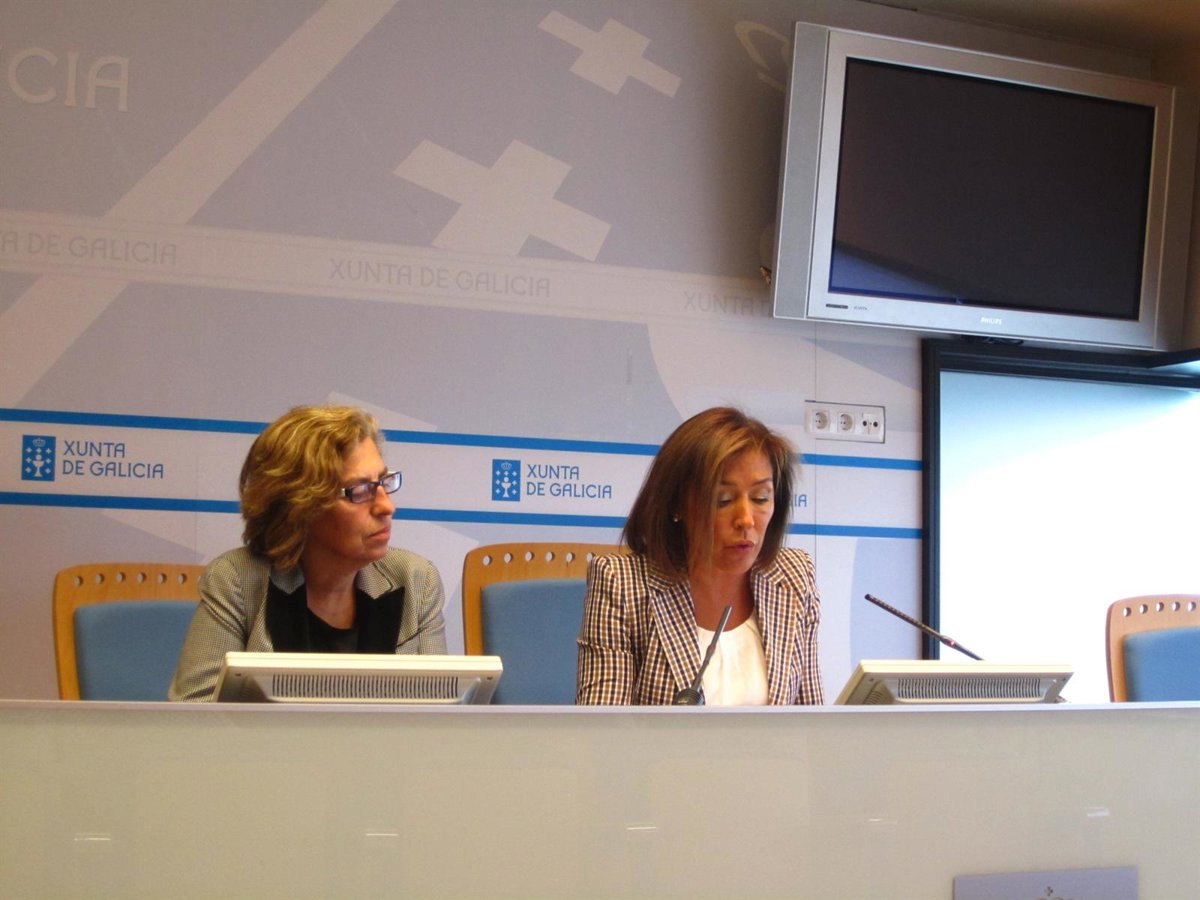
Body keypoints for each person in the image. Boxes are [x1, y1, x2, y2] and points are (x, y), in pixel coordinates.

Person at [170, 405, 447, 701]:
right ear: (300, 506)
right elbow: (196, 716)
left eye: (382, 482)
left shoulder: (416, 581)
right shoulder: (237, 581)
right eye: (360, 490)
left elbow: (438, 712)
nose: (386, 507)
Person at [576, 407, 822, 706]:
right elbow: (604, 726)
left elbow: (812, 719)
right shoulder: (622, 584)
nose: (746, 520)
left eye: (761, 498)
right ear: (677, 505)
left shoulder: (794, 575)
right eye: (723, 500)